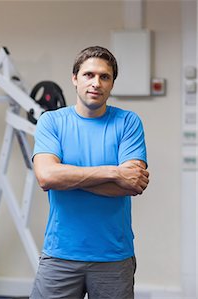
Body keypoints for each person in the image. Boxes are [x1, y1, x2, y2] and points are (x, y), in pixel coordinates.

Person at [30, 46, 149, 299]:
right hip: (60, 254)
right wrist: (113, 172)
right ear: (75, 78)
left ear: (112, 83)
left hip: (113, 256)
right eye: (89, 75)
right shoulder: (52, 122)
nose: (96, 83)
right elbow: (46, 176)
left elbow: (132, 184)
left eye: (104, 77)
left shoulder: (128, 122)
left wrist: (66, 178)